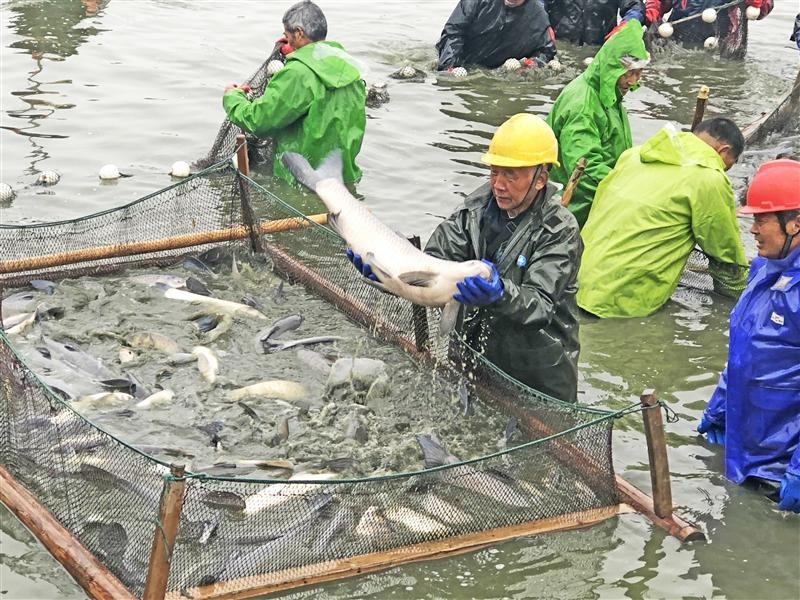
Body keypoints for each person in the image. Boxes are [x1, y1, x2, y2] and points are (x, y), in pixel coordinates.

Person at [349, 114, 582, 401]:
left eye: (511, 175)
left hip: (537, 378)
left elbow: (540, 305)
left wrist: (499, 294)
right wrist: (385, 274)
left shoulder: (560, 229)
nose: (498, 184)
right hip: (473, 363)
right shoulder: (475, 210)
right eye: (495, 171)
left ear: (540, 180)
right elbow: (429, 264)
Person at [698, 159, 800, 514]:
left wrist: (798, 474)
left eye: (761, 220)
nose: (753, 230)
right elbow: (743, 351)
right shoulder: (763, 271)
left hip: (781, 469)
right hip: (746, 449)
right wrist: (720, 407)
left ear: (795, 223)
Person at [577, 118, 748, 318]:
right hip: (621, 301)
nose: (723, 171)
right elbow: (726, 256)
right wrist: (740, 299)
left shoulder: (633, 155)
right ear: (723, 151)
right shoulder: (709, 179)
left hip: (573, 282)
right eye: (727, 166)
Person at [222, 1, 366, 184]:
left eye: (287, 35)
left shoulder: (297, 73)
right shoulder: (348, 66)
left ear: (299, 33)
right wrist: (297, 49)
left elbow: (258, 120)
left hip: (302, 181)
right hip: (344, 178)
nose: (287, 39)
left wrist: (232, 97)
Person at [546, 20, 649, 228]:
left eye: (638, 73)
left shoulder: (609, 94)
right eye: (629, 72)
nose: (633, 81)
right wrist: (630, 191)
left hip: (598, 203)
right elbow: (584, 170)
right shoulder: (582, 104)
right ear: (612, 67)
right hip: (572, 212)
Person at [435, 0, 557, 72]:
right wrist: (449, 67)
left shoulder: (539, 15)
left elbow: (546, 51)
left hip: (500, 69)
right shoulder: (477, 2)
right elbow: (453, 32)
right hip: (463, 62)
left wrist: (527, 66)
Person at [644, 0, 773, 59]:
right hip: (677, 42)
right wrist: (652, 9)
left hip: (723, 49)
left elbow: (762, 10)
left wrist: (760, 3)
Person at [545, 0, 645, 46]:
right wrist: (544, 26)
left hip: (601, 46)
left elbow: (635, 7)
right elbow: (538, 5)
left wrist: (626, 24)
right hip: (559, 44)